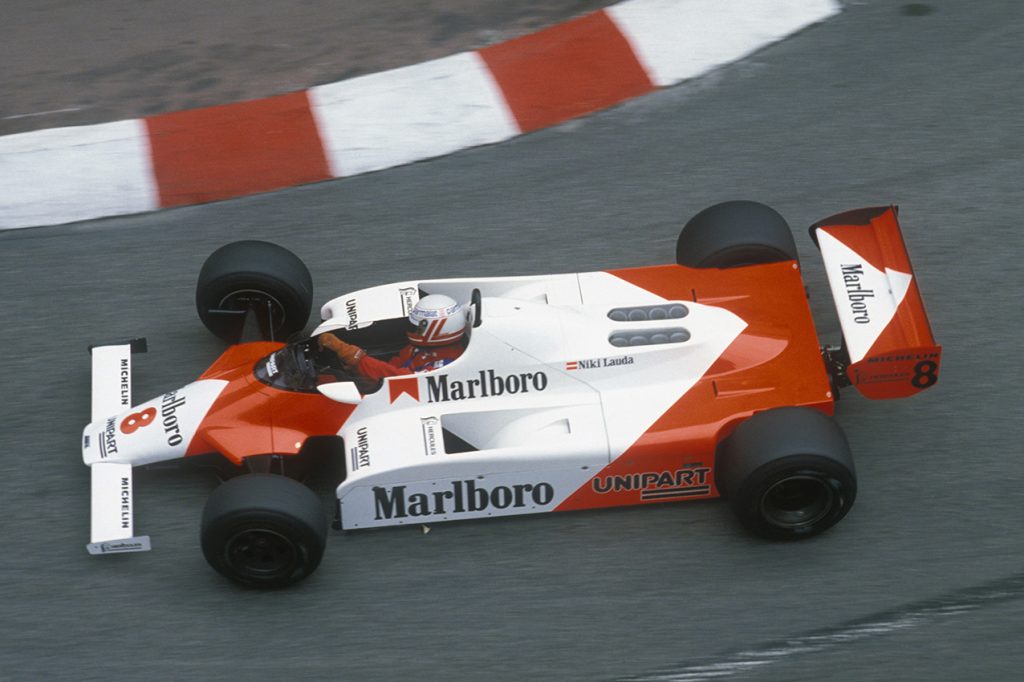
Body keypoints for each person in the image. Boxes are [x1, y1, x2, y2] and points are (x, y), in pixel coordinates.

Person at [319, 294, 467, 380]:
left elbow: (400, 378)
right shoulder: (418, 348)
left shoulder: (444, 365)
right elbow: (394, 365)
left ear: (438, 330)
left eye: (417, 327)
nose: (412, 329)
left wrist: (352, 355)